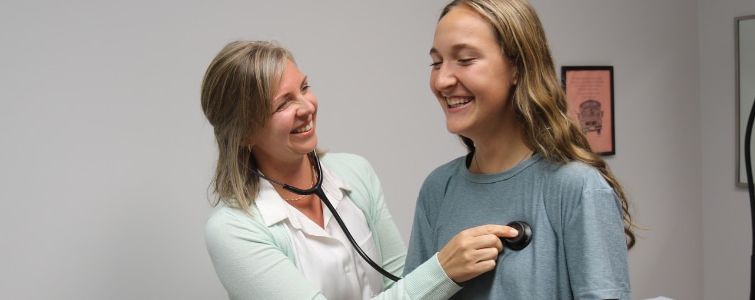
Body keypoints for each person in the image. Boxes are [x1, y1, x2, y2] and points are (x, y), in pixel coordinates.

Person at [200, 40, 519, 300]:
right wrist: (443, 270)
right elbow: (421, 285)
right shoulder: (232, 230)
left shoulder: (354, 172)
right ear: (243, 134)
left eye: (305, 87)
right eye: (283, 104)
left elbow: (400, 279)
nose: (307, 107)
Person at [405, 0, 636, 299]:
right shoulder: (438, 189)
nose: (442, 80)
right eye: (436, 63)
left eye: (465, 60)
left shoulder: (578, 189)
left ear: (517, 68)